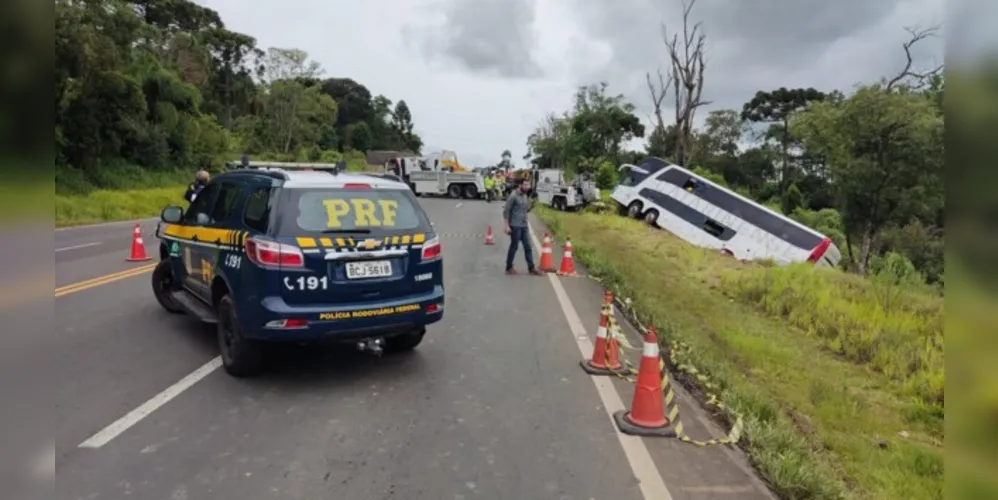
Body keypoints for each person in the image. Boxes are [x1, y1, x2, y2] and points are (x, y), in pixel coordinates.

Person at [503, 178, 543, 275]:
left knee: (528, 246)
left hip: (524, 225)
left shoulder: (525, 196)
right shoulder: (513, 196)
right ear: (520, 185)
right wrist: (506, 226)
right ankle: (509, 267)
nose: (527, 187)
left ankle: (531, 268)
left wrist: (533, 203)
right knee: (514, 246)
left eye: (528, 185)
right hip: (515, 225)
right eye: (525, 185)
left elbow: (526, 210)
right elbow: (506, 211)